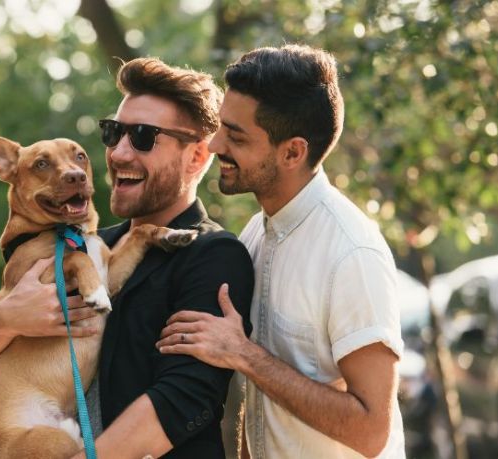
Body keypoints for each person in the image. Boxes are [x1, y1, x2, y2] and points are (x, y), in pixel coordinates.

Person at [0, 57, 255, 458]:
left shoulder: (212, 254)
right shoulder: (87, 243)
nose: (119, 153)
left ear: (198, 157)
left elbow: (184, 398)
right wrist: (2, 323)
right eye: (114, 134)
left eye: (144, 137)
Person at [156, 44, 405, 458]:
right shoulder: (257, 231)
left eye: (235, 135)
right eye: (221, 127)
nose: (215, 145)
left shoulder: (352, 254)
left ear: (293, 152)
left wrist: (244, 355)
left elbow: (370, 431)